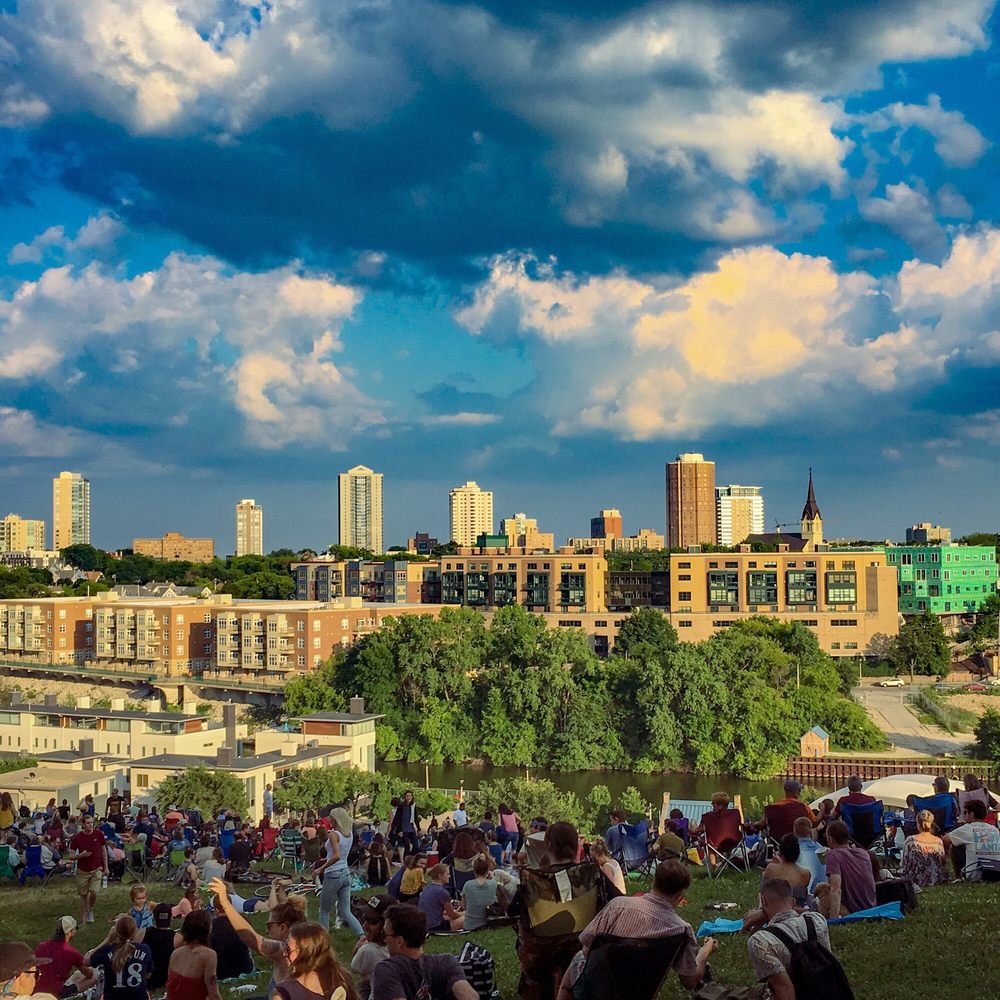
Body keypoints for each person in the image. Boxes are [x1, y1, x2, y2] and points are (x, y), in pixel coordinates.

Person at [557, 860, 716, 1000]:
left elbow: (586, 949)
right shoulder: (681, 929)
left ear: (653, 882)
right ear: (680, 895)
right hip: (640, 991)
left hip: (599, 989)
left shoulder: (618, 905)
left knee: (579, 957)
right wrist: (705, 951)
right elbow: (689, 981)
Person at [208, 876, 306, 998]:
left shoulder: (285, 952)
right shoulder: (307, 943)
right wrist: (279, 889)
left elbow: (251, 938)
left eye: (269, 925)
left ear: (283, 928)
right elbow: (284, 909)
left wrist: (225, 904)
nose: (266, 930)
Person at [747, 879, 835, 1000]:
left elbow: (785, 989)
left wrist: (764, 914)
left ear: (763, 902)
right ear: (793, 903)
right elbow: (808, 912)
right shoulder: (817, 921)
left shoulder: (760, 941)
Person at [372, 904, 479, 1000]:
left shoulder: (387, 970)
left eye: (385, 934)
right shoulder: (447, 962)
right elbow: (470, 996)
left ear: (400, 941)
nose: (385, 939)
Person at [276, 922, 358, 1000]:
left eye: (288, 949)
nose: (284, 953)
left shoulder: (284, 992)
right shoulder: (343, 979)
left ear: (305, 954)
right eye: (285, 944)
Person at [316, 813, 364, 937]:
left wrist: (320, 868)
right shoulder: (349, 834)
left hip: (333, 874)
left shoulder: (334, 835)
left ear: (336, 819)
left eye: (331, 818)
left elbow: (336, 855)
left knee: (324, 910)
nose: (330, 820)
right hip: (345, 872)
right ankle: (362, 936)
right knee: (346, 911)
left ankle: (323, 942)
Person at [815, 820, 876, 917]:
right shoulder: (863, 853)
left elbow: (836, 889)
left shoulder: (832, 855)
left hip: (851, 912)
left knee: (824, 889)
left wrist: (833, 921)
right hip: (870, 908)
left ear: (830, 839)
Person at [90, 915, 152, 1000]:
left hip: (112, 997)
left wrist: (107, 940)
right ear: (135, 932)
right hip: (138, 997)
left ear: (116, 932)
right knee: (146, 993)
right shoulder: (145, 949)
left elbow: (86, 960)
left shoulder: (106, 950)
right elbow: (148, 975)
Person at [35, 916, 96, 998]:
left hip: (36, 989)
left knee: (77, 975)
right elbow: (88, 974)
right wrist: (91, 971)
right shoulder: (71, 952)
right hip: (55, 993)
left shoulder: (41, 946)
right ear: (70, 932)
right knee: (94, 976)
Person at [165, 911, 220, 1000]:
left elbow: (170, 988)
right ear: (207, 930)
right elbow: (213, 993)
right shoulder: (209, 955)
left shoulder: (175, 954)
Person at [943, 799, 1000, 880]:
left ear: (972, 814)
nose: (964, 815)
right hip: (997, 871)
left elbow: (945, 840)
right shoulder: (994, 829)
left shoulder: (967, 828)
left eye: (965, 812)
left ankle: (958, 877)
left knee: (955, 845)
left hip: (976, 873)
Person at [67, 813, 108, 925]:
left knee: (94, 892)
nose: (90, 825)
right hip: (82, 870)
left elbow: (103, 850)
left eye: (92, 823)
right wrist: (80, 855)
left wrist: (106, 867)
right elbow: (70, 856)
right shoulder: (77, 838)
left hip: (97, 868)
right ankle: (84, 919)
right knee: (83, 895)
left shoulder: (98, 834)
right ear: (83, 824)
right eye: (88, 823)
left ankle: (89, 909)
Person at [352, 896, 391, 1000]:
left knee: (363, 985)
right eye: (365, 918)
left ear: (387, 924)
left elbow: (355, 967)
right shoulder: (403, 948)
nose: (365, 925)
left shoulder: (368, 950)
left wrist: (356, 950)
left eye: (372, 921)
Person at [900, 809, 948, 887]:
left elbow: (904, 863)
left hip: (914, 879)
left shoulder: (911, 840)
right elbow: (943, 864)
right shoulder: (938, 841)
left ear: (918, 824)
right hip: (935, 879)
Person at [761, 833, 811, 907]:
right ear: (798, 852)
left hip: (774, 911)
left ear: (781, 853)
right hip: (797, 914)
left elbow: (763, 893)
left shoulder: (771, 868)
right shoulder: (805, 874)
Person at [138, 904, 180, 991]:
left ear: (154, 917)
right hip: (166, 979)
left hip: (146, 977)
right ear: (171, 917)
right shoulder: (177, 938)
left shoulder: (142, 933)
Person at [419, 863, 465, 933]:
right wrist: (464, 913)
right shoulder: (442, 892)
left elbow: (435, 910)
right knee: (465, 918)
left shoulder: (427, 888)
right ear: (440, 876)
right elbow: (452, 915)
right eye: (447, 874)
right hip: (435, 927)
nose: (449, 876)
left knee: (449, 917)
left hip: (425, 925)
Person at [460, 856, 498, 932]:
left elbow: (464, 907)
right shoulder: (493, 883)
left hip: (470, 926)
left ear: (474, 871)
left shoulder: (468, 885)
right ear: (487, 871)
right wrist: (492, 878)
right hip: (489, 924)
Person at [792, 816, 827, 893]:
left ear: (795, 832)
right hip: (823, 890)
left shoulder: (794, 850)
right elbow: (825, 868)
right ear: (810, 831)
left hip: (805, 893)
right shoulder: (820, 848)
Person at [389, 791, 418, 857]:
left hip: (411, 827)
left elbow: (415, 817)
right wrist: (399, 830)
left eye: (410, 796)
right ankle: (406, 860)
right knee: (406, 846)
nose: (409, 797)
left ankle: (413, 858)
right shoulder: (401, 806)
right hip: (404, 829)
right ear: (405, 797)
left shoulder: (413, 805)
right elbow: (397, 819)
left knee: (416, 845)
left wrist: (418, 828)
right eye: (407, 796)